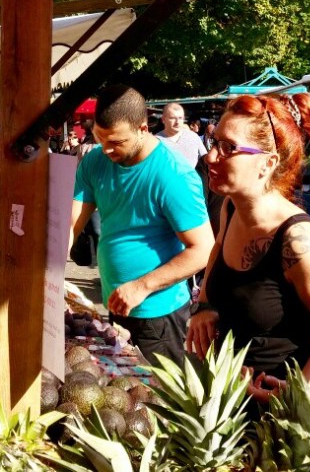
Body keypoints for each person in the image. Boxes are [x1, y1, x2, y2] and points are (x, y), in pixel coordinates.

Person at [186, 93, 310, 404]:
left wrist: (296, 393)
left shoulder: (298, 239)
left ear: (267, 162)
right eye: (214, 142)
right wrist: (205, 306)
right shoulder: (231, 209)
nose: (210, 157)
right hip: (226, 403)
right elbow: (217, 249)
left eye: (228, 148)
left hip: (276, 416)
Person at [71, 85, 215, 366]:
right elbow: (71, 223)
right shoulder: (94, 161)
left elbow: (203, 249)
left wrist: (141, 286)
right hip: (116, 303)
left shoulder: (173, 175)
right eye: (101, 138)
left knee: (155, 401)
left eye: (117, 141)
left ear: (143, 127)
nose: (107, 149)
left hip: (157, 315)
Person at [155, 102, 207, 168]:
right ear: (163, 119)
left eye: (180, 118)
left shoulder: (193, 137)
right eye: (172, 118)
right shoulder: (155, 141)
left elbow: (205, 161)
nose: (177, 122)